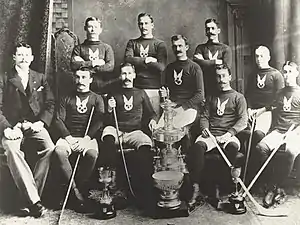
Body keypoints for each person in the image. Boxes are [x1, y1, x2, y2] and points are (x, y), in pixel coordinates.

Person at [0, 43, 55, 217]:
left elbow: (50, 103)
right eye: (20, 55)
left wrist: (41, 122)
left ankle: (28, 199)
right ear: (14, 58)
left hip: (33, 125)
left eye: (27, 55)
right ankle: (35, 201)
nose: (23, 58)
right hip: (12, 126)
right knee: (12, 150)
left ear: (32, 58)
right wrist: (7, 128)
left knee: (49, 148)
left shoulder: (40, 78)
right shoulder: (4, 78)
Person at [188, 64, 247, 206]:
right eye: (218, 76)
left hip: (228, 135)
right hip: (210, 135)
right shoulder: (211, 97)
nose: (221, 79)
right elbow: (205, 116)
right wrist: (205, 129)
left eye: (224, 76)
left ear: (230, 77)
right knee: (197, 148)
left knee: (232, 148)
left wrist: (229, 134)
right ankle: (196, 189)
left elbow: (243, 120)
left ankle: (222, 188)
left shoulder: (238, 97)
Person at [101, 62, 158, 208]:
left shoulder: (140, 93)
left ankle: (142, 186)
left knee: (145, 145)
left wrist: (152, 120)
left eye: (129, 73)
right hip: (116, 129)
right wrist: (109, 108)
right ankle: (110, 184)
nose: (126, 77)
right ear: (120, 76)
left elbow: (151, 113)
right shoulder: (114, 93)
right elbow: (106, 120)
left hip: (134, 131)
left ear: (134, 75)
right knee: (107, 138)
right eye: (123, 74)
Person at [53, 67, 105, 212]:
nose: (80, 81)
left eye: (84, 77)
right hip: (68, 136)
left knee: (92, 154)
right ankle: (76, 193)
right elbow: (58, 120)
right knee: (59, 152)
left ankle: (75, 189)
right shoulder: (66, 97)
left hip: (87, 137)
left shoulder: (97, 98)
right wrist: (69, 138)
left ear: (90, 79)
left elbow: (99, 121)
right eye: (78, 77)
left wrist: (86, 139)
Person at [254, 61, 300, 208]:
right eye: (285, 72)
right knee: (260, 148)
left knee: (290, 151)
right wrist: (259, 111)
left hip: (296, 132)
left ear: (297, 73)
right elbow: (272, 106)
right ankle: (273, 184)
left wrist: (294, 132)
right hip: (279, 131)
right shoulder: (280, 92)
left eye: (290, 72)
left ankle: (273, 187)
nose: (287, 76)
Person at [124, 12, 167, 115]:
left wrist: (137, 61)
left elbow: (161, 67)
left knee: (153, 121)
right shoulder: (132, 43)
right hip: (136, 88)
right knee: (138, 120)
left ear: (152, 25)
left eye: (146, 23)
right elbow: (128, 60)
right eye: (141, 23)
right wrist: (147, 60)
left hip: (154, 89)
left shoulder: (159, 44)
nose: (143, 26)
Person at [159, 35, 205, 129]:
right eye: (175, 46)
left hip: (189, 109)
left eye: (180, 46)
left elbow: (200, 95)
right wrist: (163, 95)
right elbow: (166, 91)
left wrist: (182, 108)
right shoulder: (169, 68)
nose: (177, 49)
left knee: (175, 129)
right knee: (158, 130)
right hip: (172, 108)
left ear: (186, 47)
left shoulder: (194, 68)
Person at [245, 46, 284, 151]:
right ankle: (243, 164)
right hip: (252, 112)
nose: (259, 59)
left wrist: (262, 110)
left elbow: (279, 100)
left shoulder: (276, 75)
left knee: (258, 135)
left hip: (267, 112)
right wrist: (248, 109)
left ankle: (258, 164)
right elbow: (247, 95)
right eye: (257, 56)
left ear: (268, 57)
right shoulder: (252, 75)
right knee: (244, 134)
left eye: (262, 56)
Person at [71, 16, 114, 94]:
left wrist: (85, 66)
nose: (93, 30)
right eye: (90, 27)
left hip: (103, 88)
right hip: (83, 88)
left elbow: (110, 67)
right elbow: (73, 65)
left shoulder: (106, 48)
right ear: (85, 28)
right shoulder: (78, 48)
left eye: (96, 27)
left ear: (100, 30)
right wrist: (94, 63)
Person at [193, 18, 232, 96]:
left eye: (213, 28)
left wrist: (204, 61)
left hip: (220, 87)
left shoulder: (225, 49)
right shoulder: (200, 48)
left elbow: (226, 69)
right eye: (208, 29)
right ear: (205, 32)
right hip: (204, 86)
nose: (210, 31)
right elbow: (197, 66)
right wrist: (216, 62)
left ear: (218, 30)